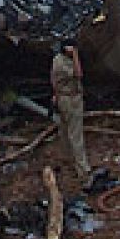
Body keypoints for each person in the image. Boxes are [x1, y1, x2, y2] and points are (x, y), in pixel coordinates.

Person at [50, 40, 94, 188]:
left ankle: (68, 164)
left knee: (64, 133)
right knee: (76, 136)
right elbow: (79, 73)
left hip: (63, 98)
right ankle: (84, 173)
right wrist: (75, 54)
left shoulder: (57, 60)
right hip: (70, 99)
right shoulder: (62, 62)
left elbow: (53, 82)